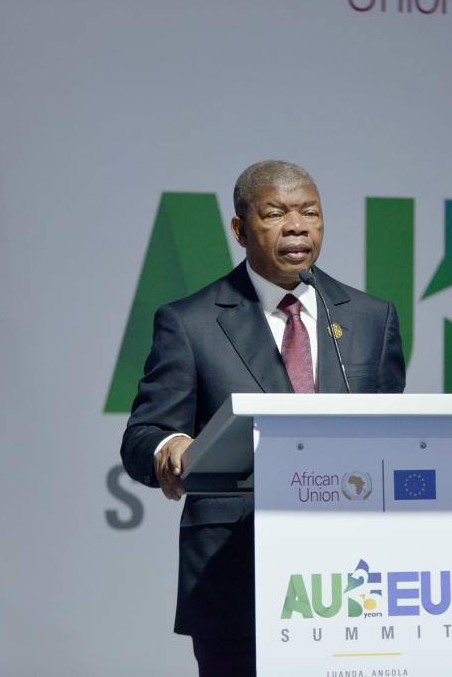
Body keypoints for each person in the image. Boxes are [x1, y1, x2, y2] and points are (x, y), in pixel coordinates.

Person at [121, 160, 405, 676]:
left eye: (310, 213)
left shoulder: (370, 318)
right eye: (275, 214)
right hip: (237, 581)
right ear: (239, 230)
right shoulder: (191, 322)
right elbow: (144, 435)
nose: (297, 226)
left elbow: (394, 432)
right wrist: (171, 448)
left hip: (354, 583)